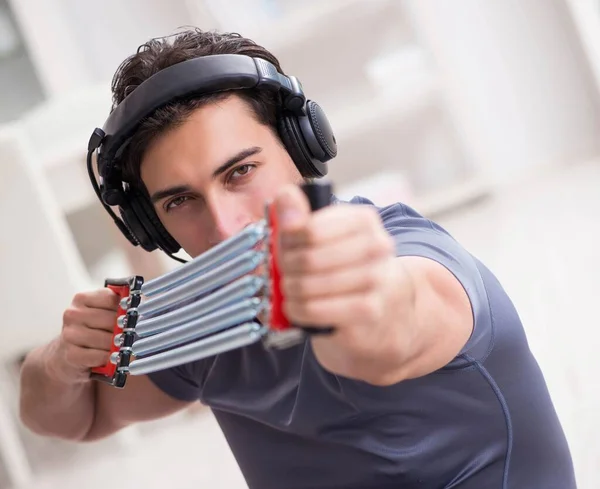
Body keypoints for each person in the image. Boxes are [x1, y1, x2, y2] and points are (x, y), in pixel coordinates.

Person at [19, 29, 576, 489]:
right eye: (181, 200)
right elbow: (77, 417)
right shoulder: (210, 314)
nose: (225, 225)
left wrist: (348, 298)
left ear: (301, 147)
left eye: (240, 172)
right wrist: (61, 360)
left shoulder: (414, 256)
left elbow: (387, 332)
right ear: (149, 222)